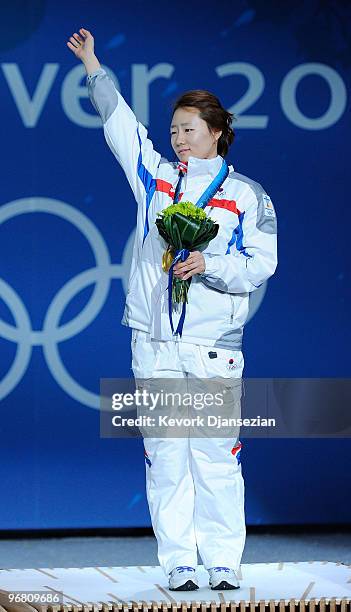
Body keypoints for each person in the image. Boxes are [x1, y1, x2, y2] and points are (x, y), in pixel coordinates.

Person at [67, 28, 278, 591]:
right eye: (173, 130)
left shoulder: (248, 194)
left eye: (188, 129)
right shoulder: (156, 179)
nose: (179, 138)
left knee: (214, 457)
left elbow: (263, 264)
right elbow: (120, 127)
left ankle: (223, 560)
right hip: (154, 340)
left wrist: (209, 265)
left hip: (214, 348)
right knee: (165, 455)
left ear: (216, 133)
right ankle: (180, 560)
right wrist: (93, 65)